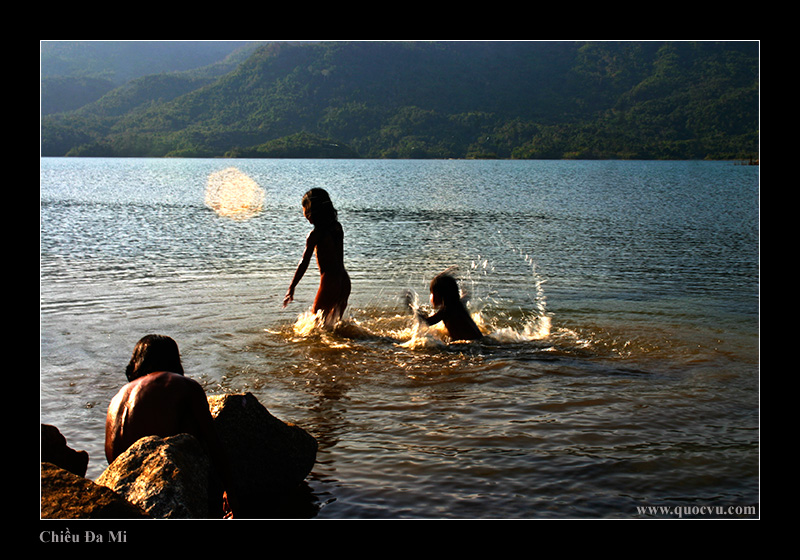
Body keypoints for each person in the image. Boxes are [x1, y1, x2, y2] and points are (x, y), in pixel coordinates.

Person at [105, 334, 239, 517]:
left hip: (119, 490)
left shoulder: (117, 397)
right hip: (162, 493)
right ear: (174, 360)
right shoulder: (183, 385)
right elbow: (214, 444)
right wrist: (231, 491)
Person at [283, 188, 351, 328]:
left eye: (305, 210)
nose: (304, 214)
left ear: (310, 212)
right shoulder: (337, 228)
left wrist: (292, 287)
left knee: (316, 325)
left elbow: (304, 262)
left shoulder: (315, 235)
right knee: (333, 325)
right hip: (344, 280)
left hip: (330, 282)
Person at [414, 270, 484, 341]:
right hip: (479, 339)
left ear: (438, 295)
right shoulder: (457, 304)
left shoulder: (446, 310)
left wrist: (415, 311)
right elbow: (465, 297)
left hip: (471, 346)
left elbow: (426, 322)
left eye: (431, 293)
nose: (430, 297)